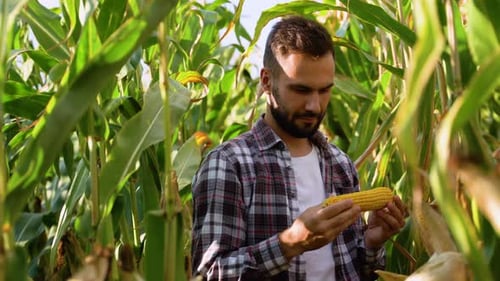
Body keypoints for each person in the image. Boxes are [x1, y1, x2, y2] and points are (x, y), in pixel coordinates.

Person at [191, 15, 407, 281]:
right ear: (267, 81)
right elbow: (208, 274)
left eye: (324, 90)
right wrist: (290, 243)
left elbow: (356, 269)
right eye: (301, 90)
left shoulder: (340, 164)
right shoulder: (228, 165)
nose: (314, 106)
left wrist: (372, 242)